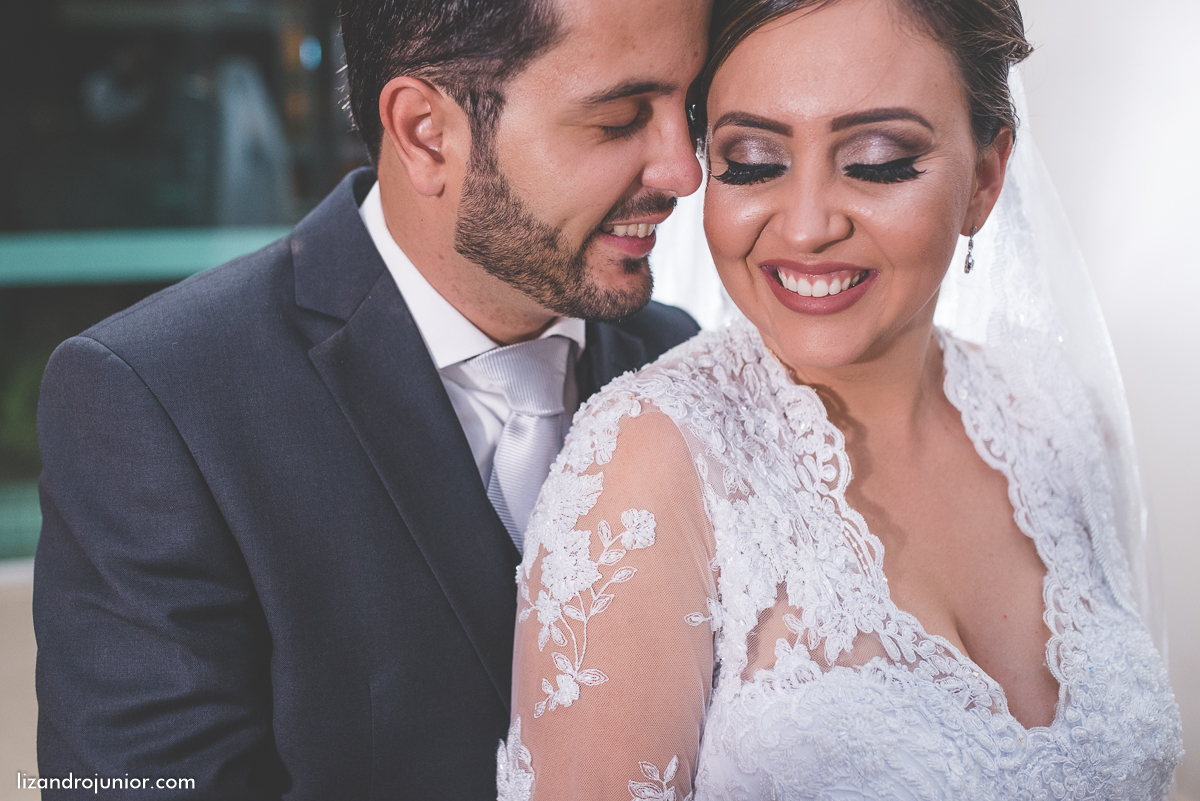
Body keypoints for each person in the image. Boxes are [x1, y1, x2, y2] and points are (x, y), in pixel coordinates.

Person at [497, 0, 1184, 797]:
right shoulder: (646, 466)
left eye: (878, 160)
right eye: (753, 161)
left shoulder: (1056, 421)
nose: (809, 225)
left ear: (985, 178)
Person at [33, 0, 710, 797]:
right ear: (427, 132)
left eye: (689, 109)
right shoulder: (158, 401)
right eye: (620, 119)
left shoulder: (680, 361)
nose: (683, 170)